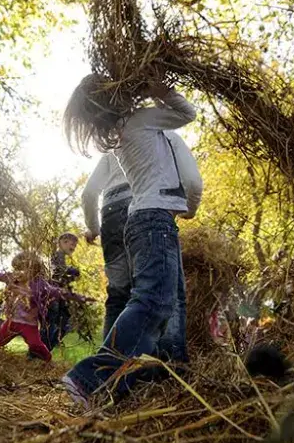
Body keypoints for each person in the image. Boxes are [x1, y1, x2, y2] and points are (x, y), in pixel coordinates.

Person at [62, 76, 202, 408]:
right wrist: (161, 92)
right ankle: (89, 378)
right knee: (154, 302)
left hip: (145, 218)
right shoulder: (139, 120)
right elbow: (188, 114)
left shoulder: (120, 132)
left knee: (164, 299)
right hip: (154, 220)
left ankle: (157, 374)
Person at [82, 131, 203, 338]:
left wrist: (94, 228)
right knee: (164, 291)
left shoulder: (115, 145)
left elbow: (89, 193)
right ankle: (167, 362)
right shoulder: (166, 137)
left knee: (118, 294)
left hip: (111, 216)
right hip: (149, 206)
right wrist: (188, 210)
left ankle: (110, 363)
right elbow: (192, 181)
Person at [0, 252, 92, 362]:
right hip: (11, 322)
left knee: (36, 345)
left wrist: (80, 298)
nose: (18, 272)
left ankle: (47, 361)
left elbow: (59, 292)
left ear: (35, 269)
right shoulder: (12, 278)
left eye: (23, 269)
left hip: (29, 324)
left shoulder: (41, 285)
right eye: (16, 268)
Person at [44, 232, 81, 350]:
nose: (73, 248)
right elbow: (58, 270)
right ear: (63, 242)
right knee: (55, 321)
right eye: (72, 245)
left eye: (75, 246)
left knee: (64, 320)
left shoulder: (61, 256)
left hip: (60, 293)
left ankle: (47, 347)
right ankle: (44, 348)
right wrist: (73, 271)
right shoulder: (57, 255)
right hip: (54, 294)